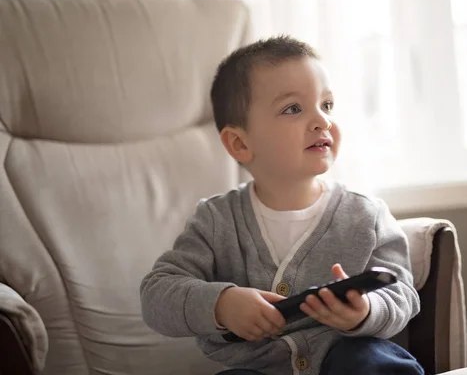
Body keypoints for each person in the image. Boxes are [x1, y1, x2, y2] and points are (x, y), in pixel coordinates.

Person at [140, 35, 423, 375]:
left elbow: (402, 294)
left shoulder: (367, 216)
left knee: (373, 361)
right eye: (293, 109)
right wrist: (222, 304)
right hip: (256, 369)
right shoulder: (215, 220)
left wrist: (365, 311)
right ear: (240, 144)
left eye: (327, 105)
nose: (323, 121)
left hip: (345, 359)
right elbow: (157, 294)